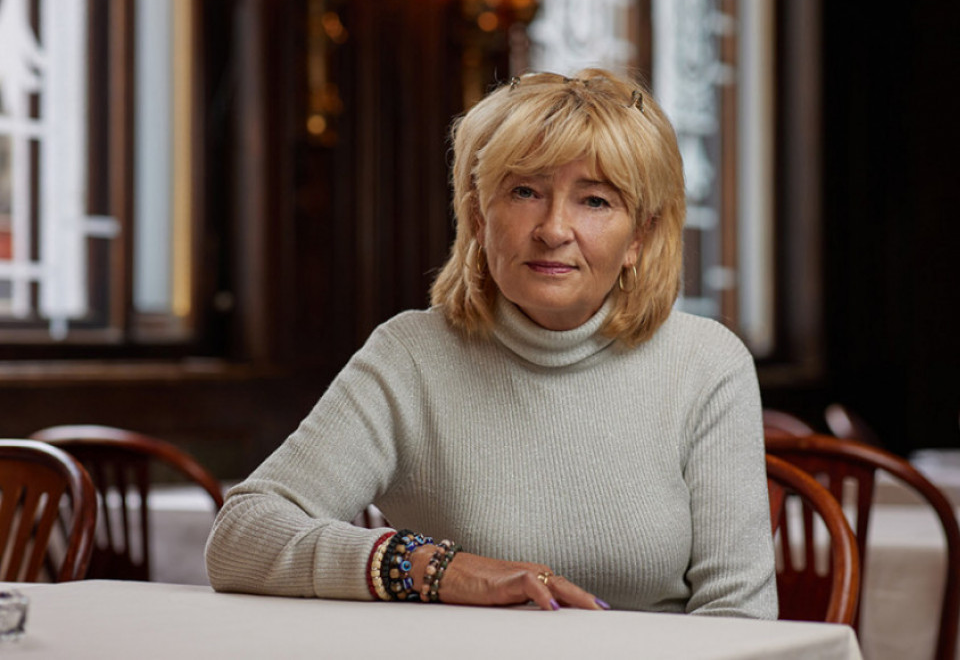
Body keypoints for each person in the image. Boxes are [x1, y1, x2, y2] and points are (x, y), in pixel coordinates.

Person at [205, 68, 777, 618]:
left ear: (640, 238)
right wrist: (432, 568)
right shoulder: (411, 355)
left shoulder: (707, 362)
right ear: (479, 216)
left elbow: (738, 615)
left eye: (595, 201)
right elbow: (240, 536)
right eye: (525, 191)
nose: (553, 229)